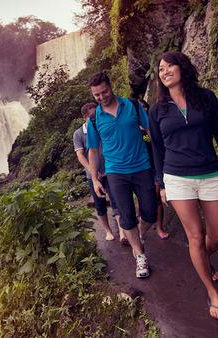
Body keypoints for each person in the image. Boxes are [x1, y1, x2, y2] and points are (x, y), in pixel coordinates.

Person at [148, 51, 218, 320]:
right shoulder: (158, 110)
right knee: (196, 237)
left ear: (182, 67)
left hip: (210, 174)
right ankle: (212, 292)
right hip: (177, 178)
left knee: (217, 237)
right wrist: (161, 183)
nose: (164, 72)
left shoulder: (206, 98)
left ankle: (201, 259)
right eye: (160, 69)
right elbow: (156, 148)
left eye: (169, 66)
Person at [86, 72, 158, 278]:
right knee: (126, 217)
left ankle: (139, 236)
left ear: (111, 86)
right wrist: (94, 178)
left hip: (142, 166)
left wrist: (152, 148)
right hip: (116, 172)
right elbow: (92, 149)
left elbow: (148, 130)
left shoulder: (132, 106)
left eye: (104, 92)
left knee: (150, 212)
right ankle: (140, 254)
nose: (102, 97)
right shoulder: (94, 119)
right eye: (97, 95)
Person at [73, 102, 121, 241]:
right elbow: (80, 155)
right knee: (100, 204)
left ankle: (122, 232)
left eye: (97, 114)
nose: (96, 118)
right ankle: (108, 231)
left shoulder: (102, 127)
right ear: (84, 118)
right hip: (92, 176)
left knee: (116, 200)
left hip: (110, 170)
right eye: (92, 116)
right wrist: (93, 171)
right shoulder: (78, 134)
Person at [137, 98, 169, 240]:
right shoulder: (132, 128)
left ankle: (159, 227)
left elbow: (159, 143)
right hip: (142, 167)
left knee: (156, 197)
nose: (143, 110)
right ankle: (143, 221)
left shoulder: (153, 125)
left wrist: (147, 129)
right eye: (140, 108)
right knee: (145, 198)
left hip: (155, 166)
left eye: (145, 107)